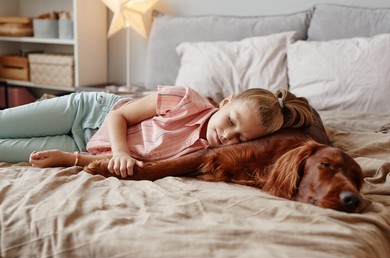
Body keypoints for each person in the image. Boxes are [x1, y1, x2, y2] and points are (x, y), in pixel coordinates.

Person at [0, 85, 313, 177]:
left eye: (242, 138)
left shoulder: (199, 156)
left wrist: (70, 159)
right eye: (231, 122)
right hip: (91, 111)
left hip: (80, 145)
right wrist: (121, 151)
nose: (228, 136)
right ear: (226, 102)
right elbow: (120, 116)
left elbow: (136, 168)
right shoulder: (186, 98)